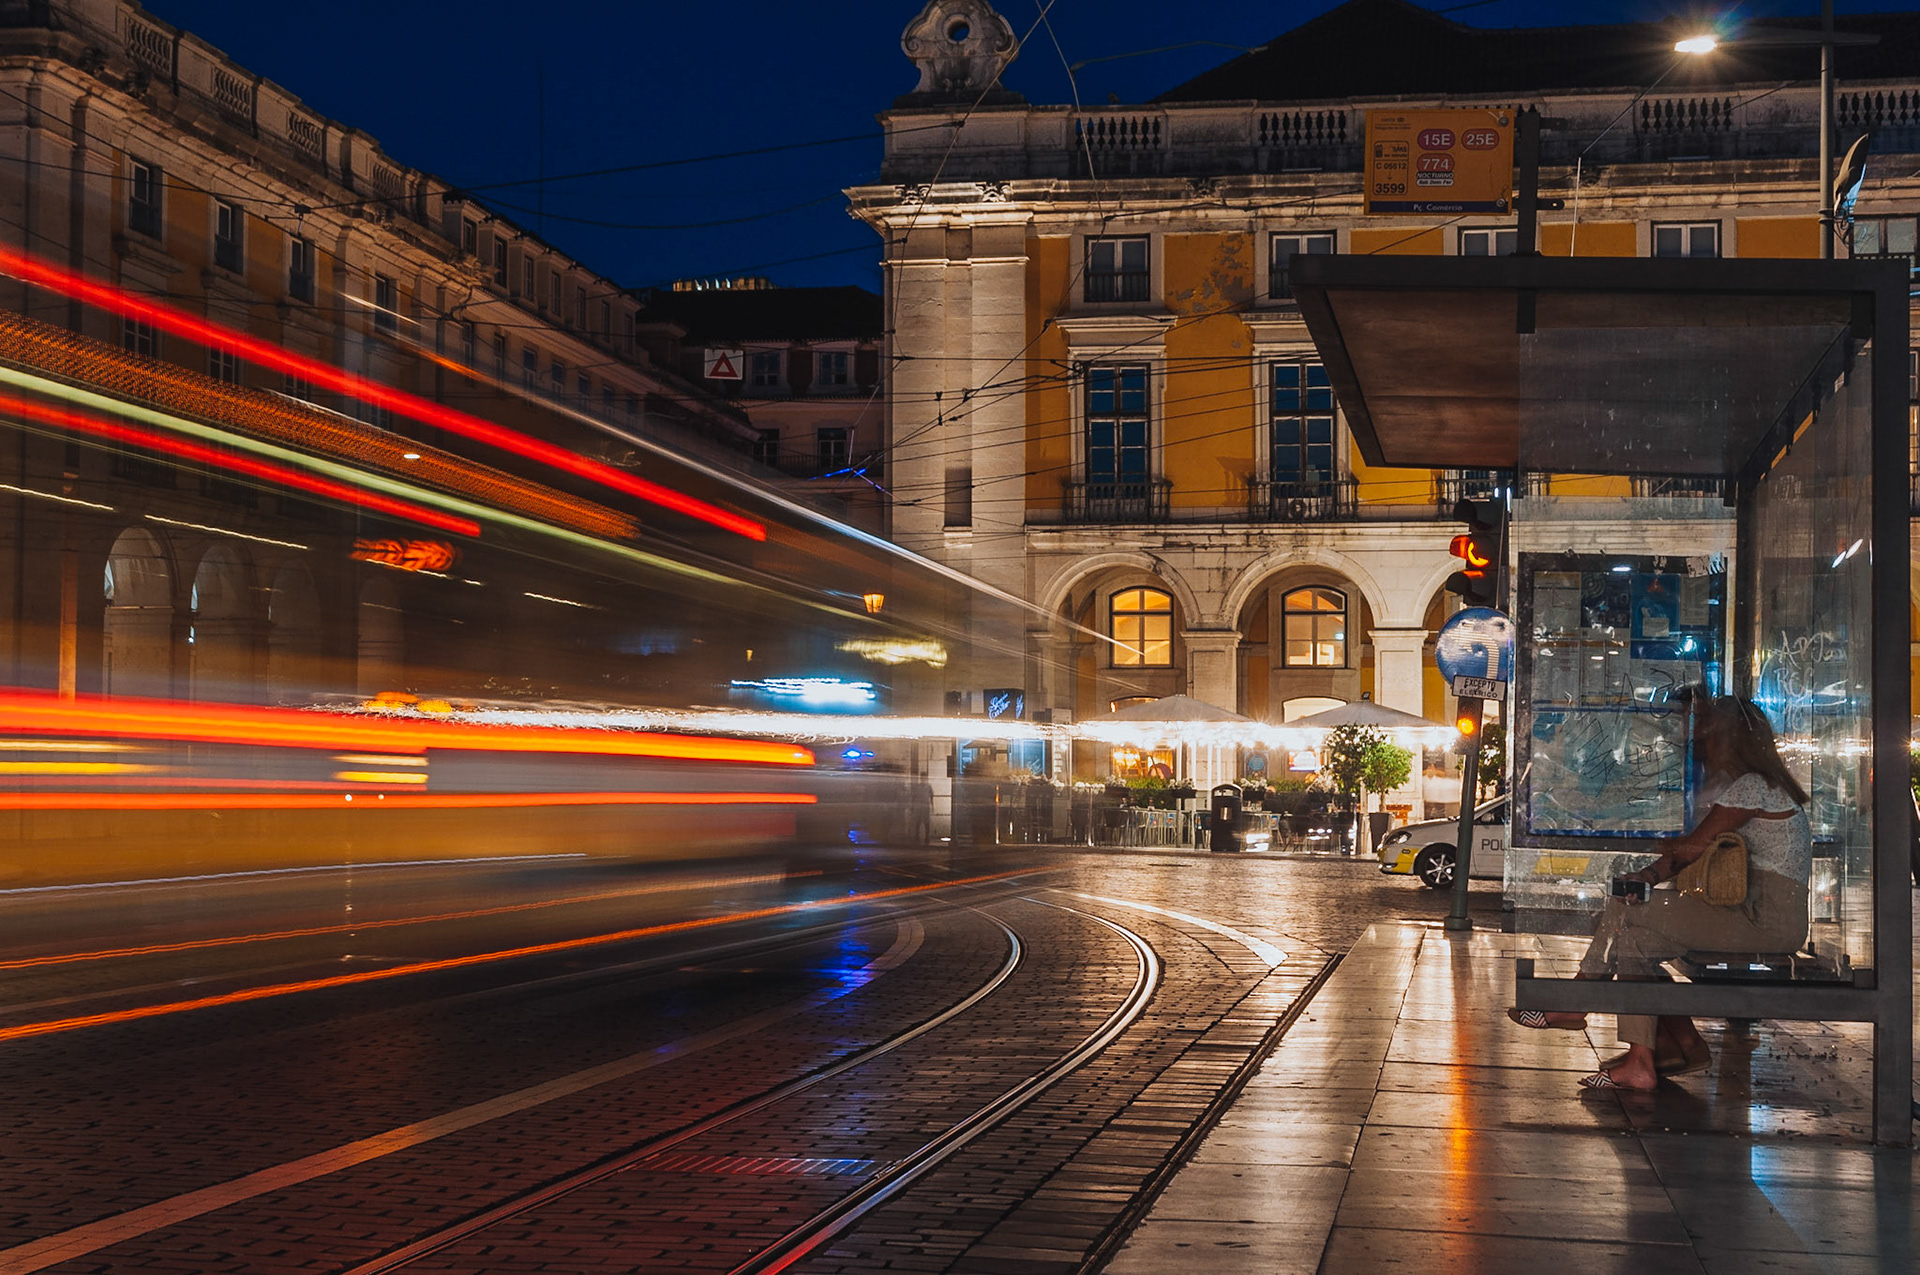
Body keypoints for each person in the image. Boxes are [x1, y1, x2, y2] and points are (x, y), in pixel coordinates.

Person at [1507, 694, 1812, 1090]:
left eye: (1704, 730)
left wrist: (1647, 862)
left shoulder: (1753, 788)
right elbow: (1691, 849)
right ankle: (1650, 1060)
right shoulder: (1758, 786)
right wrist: (1649, 872)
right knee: (1634, 942)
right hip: (1756, 912)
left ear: (1728, 738)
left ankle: (1575, 1002)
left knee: (1627, 904)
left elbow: (1690, 849)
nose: (1696, 739)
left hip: (1765, 919)